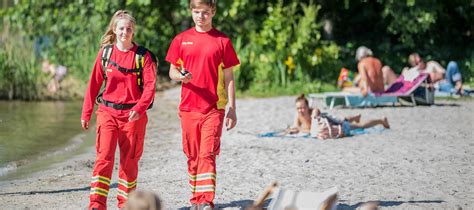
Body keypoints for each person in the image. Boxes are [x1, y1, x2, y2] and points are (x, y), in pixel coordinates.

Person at [165, 0, 240, 209]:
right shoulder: (181, 39)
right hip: (188, 108)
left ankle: (206, 201)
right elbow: (172, 71)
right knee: (193, 155)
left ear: (213, 12)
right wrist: (181, 77)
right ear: (191, 12)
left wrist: (232, 108)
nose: (201, 16)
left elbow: (229, 77)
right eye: (197, 12)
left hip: (213, 108)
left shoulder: (222, 41)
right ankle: (196, 200)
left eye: (205, 12)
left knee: (207, 153)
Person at [80, 10, 157, 210]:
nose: (125, 32)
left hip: (133, 116)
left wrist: (139, 108)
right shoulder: (106, 53)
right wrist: (86, 112)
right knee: (103, 158)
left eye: (129, 29)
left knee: (129, 163)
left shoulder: (143, 56)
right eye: (121, 28)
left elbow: (150, 86)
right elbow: (93, 84)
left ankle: (126, 205)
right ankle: (96, 205)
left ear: (133, 31)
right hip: (107, 113)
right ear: (114, 30)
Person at [311, 108, 390, 140]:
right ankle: (355, 118)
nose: (301, 110)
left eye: (302, 108)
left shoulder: (311, 115)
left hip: (338, 126)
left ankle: (381, 120)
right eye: (298, 108)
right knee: (343, 120)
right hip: (336, 122)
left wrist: (315, 117)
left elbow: (316, 110)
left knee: (360, 126)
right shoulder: (299, 118)